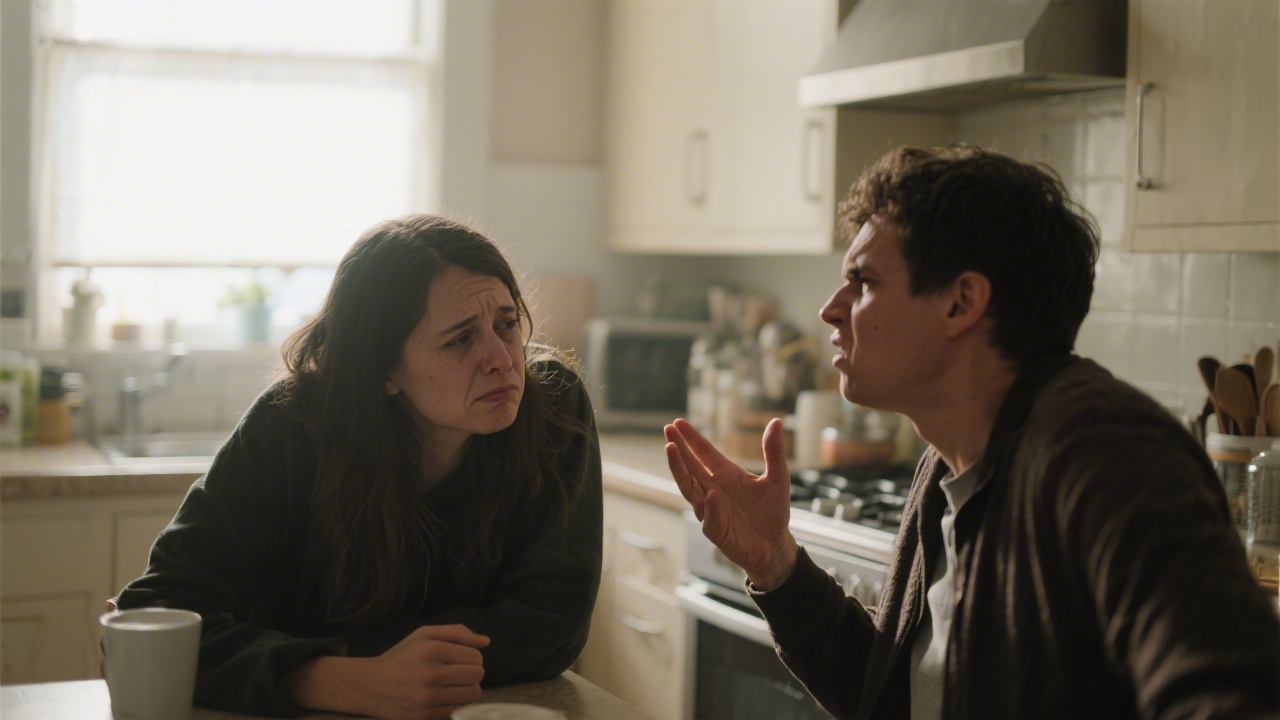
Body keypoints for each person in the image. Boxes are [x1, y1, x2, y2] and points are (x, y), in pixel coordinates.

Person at [664, 146, 1280, 720]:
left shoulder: (1107, 452)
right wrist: (776, 565)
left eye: (866, 282)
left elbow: (1230, 696)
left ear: (961, 302)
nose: (831, 308)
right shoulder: (948, 459)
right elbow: (892, 699)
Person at [114, 214, 603, 720]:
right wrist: (338, 681)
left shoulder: (553, 409)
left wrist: (323, 650)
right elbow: (153, 618)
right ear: (383, 368)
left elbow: (552, 626)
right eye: (460, 339)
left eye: (506, 324)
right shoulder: (291, 427)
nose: (502, 358)